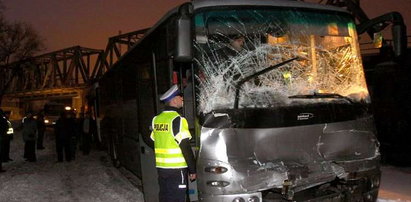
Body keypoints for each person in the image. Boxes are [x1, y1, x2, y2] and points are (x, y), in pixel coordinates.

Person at [150, 84, 196, 202]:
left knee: (165, 197)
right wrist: (193, 170)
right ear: (174, 100)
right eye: (180, 97)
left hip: (162, 169)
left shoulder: (157, 119)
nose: (182, 99)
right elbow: (185, 147)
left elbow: (154, 140)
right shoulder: (178, 120)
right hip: (177, 170)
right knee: (179, 198)